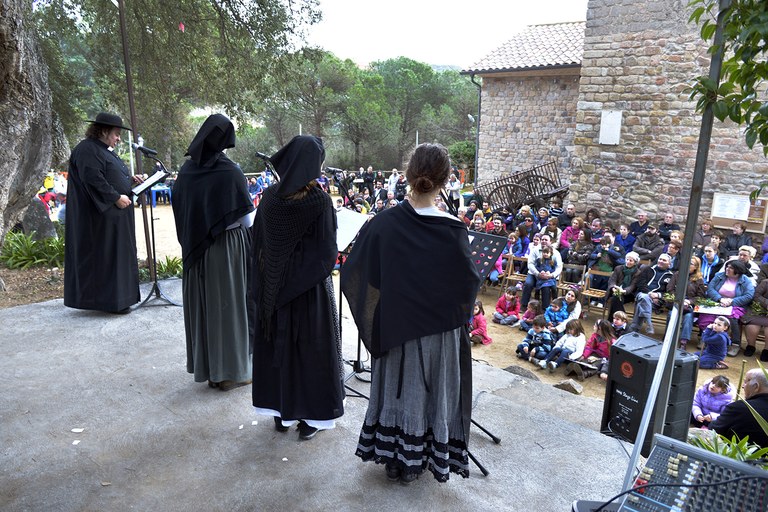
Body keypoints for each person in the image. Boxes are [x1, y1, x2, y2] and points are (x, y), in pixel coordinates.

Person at [341, 143, 480, 484]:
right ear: (446, 181)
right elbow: (467, 285)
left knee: (400, 392)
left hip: (396, 327)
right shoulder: (452, 230)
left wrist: (389, 304)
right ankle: (420, 459)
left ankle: (394, 458)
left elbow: (358, 274)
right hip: (438, 334)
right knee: (430, 395)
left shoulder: (383, 224)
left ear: (407, 175)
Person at [251, 135, 344, 441]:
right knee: (310, 353)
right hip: (308, 294)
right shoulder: (318, 201)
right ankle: (311, 417)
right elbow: (327, 252)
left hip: (273, 293)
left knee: (281, 352)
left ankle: (282, 411)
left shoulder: (269, 197)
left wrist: (271, 284)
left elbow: (259, 245)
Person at [171, 114, 254, 390]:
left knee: (205, 308)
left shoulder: (186, 172)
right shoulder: (230, 172)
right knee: (228, 308)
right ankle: (230, 374)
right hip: (226, 248)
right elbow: (246, 219)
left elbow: (181, 213)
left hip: (196, 251)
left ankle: (209, 370)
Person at [64, 112, 142, 314]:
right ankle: (110, 302)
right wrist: (115, 197)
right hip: (99, 219)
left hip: (113, 217)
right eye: (116, 134)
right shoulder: (87, 149)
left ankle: (119, 300)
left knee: (116, 258)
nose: (118, 139)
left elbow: (108, 176)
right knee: (106, 259)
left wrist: (130, 181)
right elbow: (93, 179)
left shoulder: (101, 149)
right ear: (104, 131)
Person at [701, 259, 755, 356]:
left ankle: (735, 344)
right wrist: (720, 299)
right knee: (707, 316)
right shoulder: (719, 276)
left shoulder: (746, 280)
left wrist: (732, 301)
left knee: (732, 319)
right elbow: (710, 288)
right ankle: (707, 339)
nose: (727, 269)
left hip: (735, 305)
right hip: (717, 302)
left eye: (731, 268)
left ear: (737, 271)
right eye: (727, 266)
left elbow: (748, 296)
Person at [710, 368, 768, 447]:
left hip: (734, 456)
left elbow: (713, 431)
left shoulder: (740, 408)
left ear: (756, 387)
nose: (743, 386)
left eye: (746, 382)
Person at [741, 276, 768, 361]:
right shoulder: (765, 282)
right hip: (758, 310)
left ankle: (767, 350)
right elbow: (756, 295)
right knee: (753, 326)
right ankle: (751, 346)